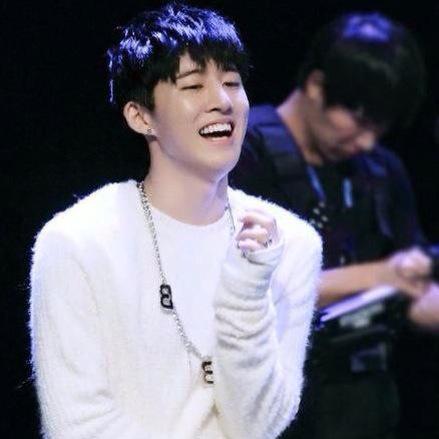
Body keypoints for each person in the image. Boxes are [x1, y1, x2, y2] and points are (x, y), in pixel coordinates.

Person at [29, 4, 321, 438]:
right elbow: (77, 423)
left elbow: (257, 426)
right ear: (140, 116)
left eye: (232, 82)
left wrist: (247, 288)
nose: (222, 102)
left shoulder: (290, 244)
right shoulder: (77, 241)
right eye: (193, 85)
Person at [230, 12, 439, 439]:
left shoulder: (381, 170)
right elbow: (242, 292)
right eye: (360, 122)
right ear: (317, 85)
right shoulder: (241, 154)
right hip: (278, 415)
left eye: (380, 128)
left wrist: (422, 298)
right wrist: (381, 275)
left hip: (369, 409)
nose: (367, 142)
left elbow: (414, 285)